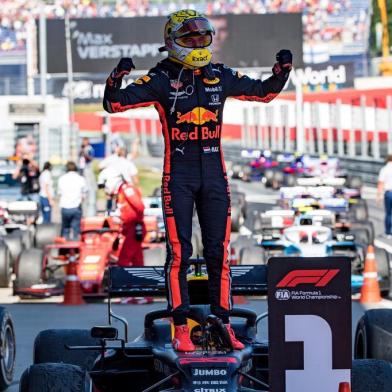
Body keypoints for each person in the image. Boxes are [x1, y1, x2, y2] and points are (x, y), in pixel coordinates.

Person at [103, 9, 292, 352]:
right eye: (189, 38)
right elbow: (114, 105)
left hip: (215, 177)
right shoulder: (161, 78)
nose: (198, 43)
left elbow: (264, 93)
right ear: (172, 42)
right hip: (178, 176)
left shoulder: (220, 74)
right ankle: (181, 327)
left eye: (203, 37)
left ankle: (223, 322)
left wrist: (281, 73)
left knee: (220, 252)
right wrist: (116, 77)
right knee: (180, 253)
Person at [57, 161, 87, 241]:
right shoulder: (81, 179)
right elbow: (84, 194)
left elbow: (59, 193)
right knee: (76, 230)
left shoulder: (62, 179)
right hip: (76, 207)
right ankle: (75, 249)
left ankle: (65, 249)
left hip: (65, 207)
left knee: (65, 228)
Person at [79, 137, 97, 217]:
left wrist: (85, 154)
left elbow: (91, 158)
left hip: (88, 169)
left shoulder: (89, 149)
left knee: (90, 189)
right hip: (82, 170)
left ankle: (91, 211)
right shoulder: (82, 149)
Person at [377, 155, 392, 239]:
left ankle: (388, 233)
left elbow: (381, 183)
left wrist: (378, 195)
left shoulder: (384, 169)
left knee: (389, 213)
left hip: (389, 193)